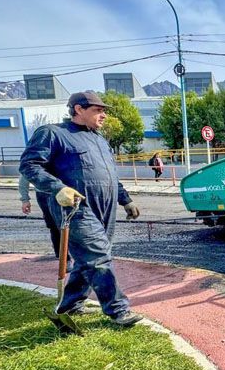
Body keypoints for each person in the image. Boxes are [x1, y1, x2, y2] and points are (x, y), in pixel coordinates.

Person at [19, 91, 142, 327]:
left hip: (105, 208)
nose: (104, 115)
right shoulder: (53, 133)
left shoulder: (100, 141)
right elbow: (29, 165)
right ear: (78, 109)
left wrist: (126, 200)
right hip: (75, 209)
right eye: (98, 110)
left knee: (89, 260)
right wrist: (57, 187)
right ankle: (118, 310)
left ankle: (69, 306)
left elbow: (110, 176)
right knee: (98, 256)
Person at [19, 173, 61, 258]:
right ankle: (62, 255)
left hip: (65, 191)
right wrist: (25, 200)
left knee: (73, 222)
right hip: (44, 194)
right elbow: (24, 176)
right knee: (53, 225)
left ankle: (66, 252)